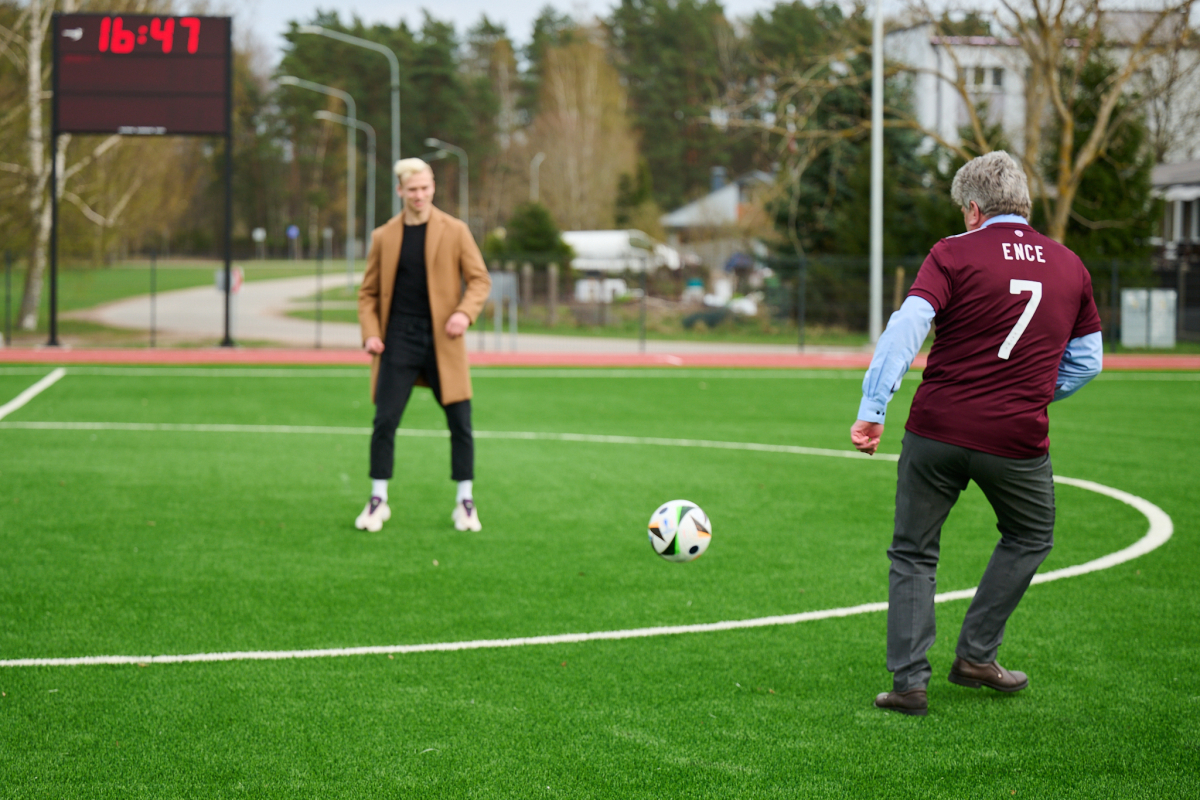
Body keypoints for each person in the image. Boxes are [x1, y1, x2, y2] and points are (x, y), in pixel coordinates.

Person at [851, 151, 1103, 716]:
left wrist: (874, 407)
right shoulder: (1070, 266)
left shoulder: (951, 253)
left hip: (936, 429)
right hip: (1017, 437)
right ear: (1025, 205)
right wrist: (1035, 392)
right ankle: (976, 656)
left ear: (972, 209)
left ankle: (910, 683)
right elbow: (1089, 361)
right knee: (1031, 535)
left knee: (914, 552)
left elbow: (906, 328)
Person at [355, 158, 491, 533]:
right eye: (412, 189)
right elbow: (367, 293)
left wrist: (464, 313)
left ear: (433, 187)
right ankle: (377, 499)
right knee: (385, 421)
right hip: (397, 339)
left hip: (443, 340)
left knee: (461, 423)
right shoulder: (383, 236)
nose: (419, 195)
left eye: (425, 187)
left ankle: (465, 502)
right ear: (400, 191)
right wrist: (370, 332)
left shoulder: (456, 230)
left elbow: (479, 280)